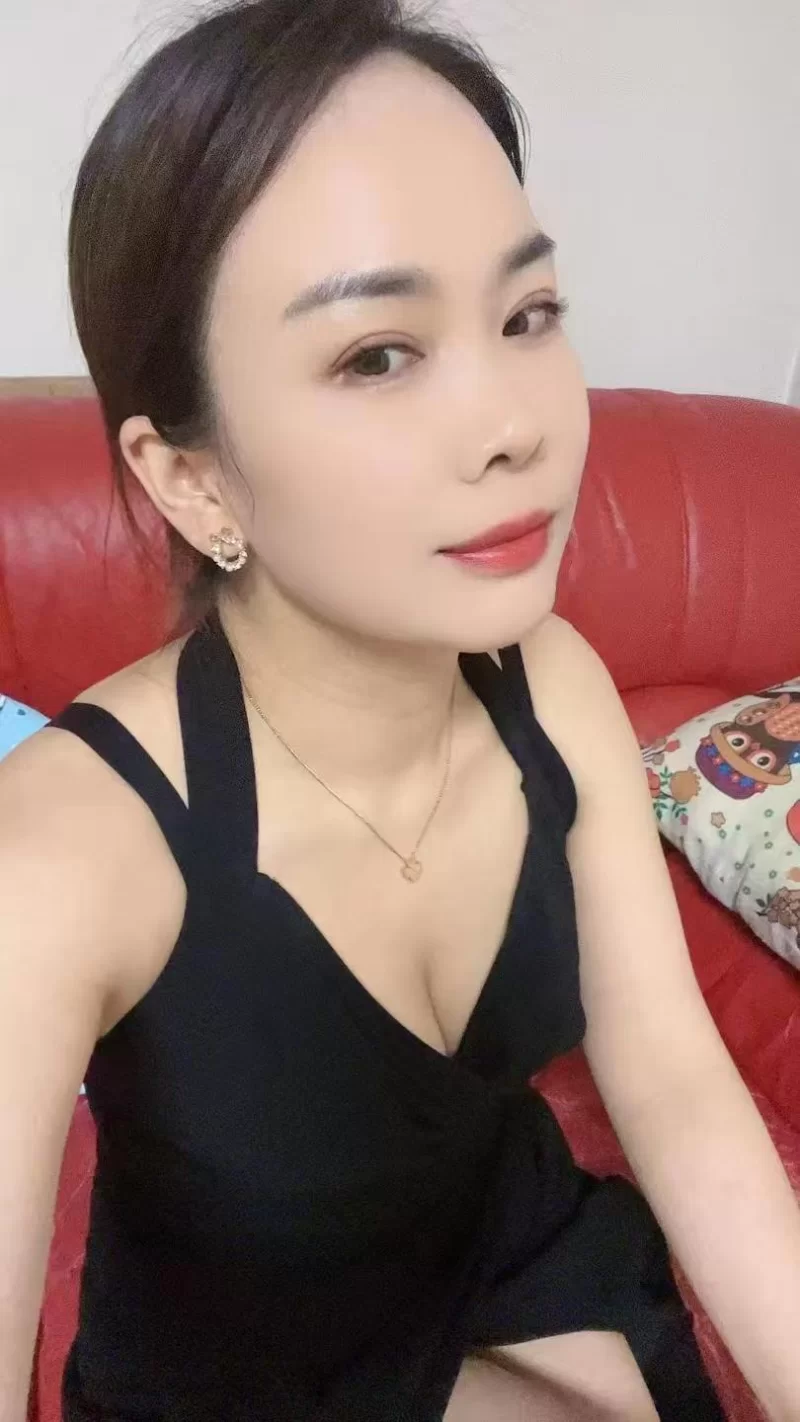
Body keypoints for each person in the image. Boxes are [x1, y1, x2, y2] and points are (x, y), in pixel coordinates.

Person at [2, 1, 799, 1419]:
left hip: (531, 1278)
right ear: (192, 479)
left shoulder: (554, 686)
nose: (515, 424)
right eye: (377, 354)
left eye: (527, 315)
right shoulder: (64, 852)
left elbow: (677, 1090)